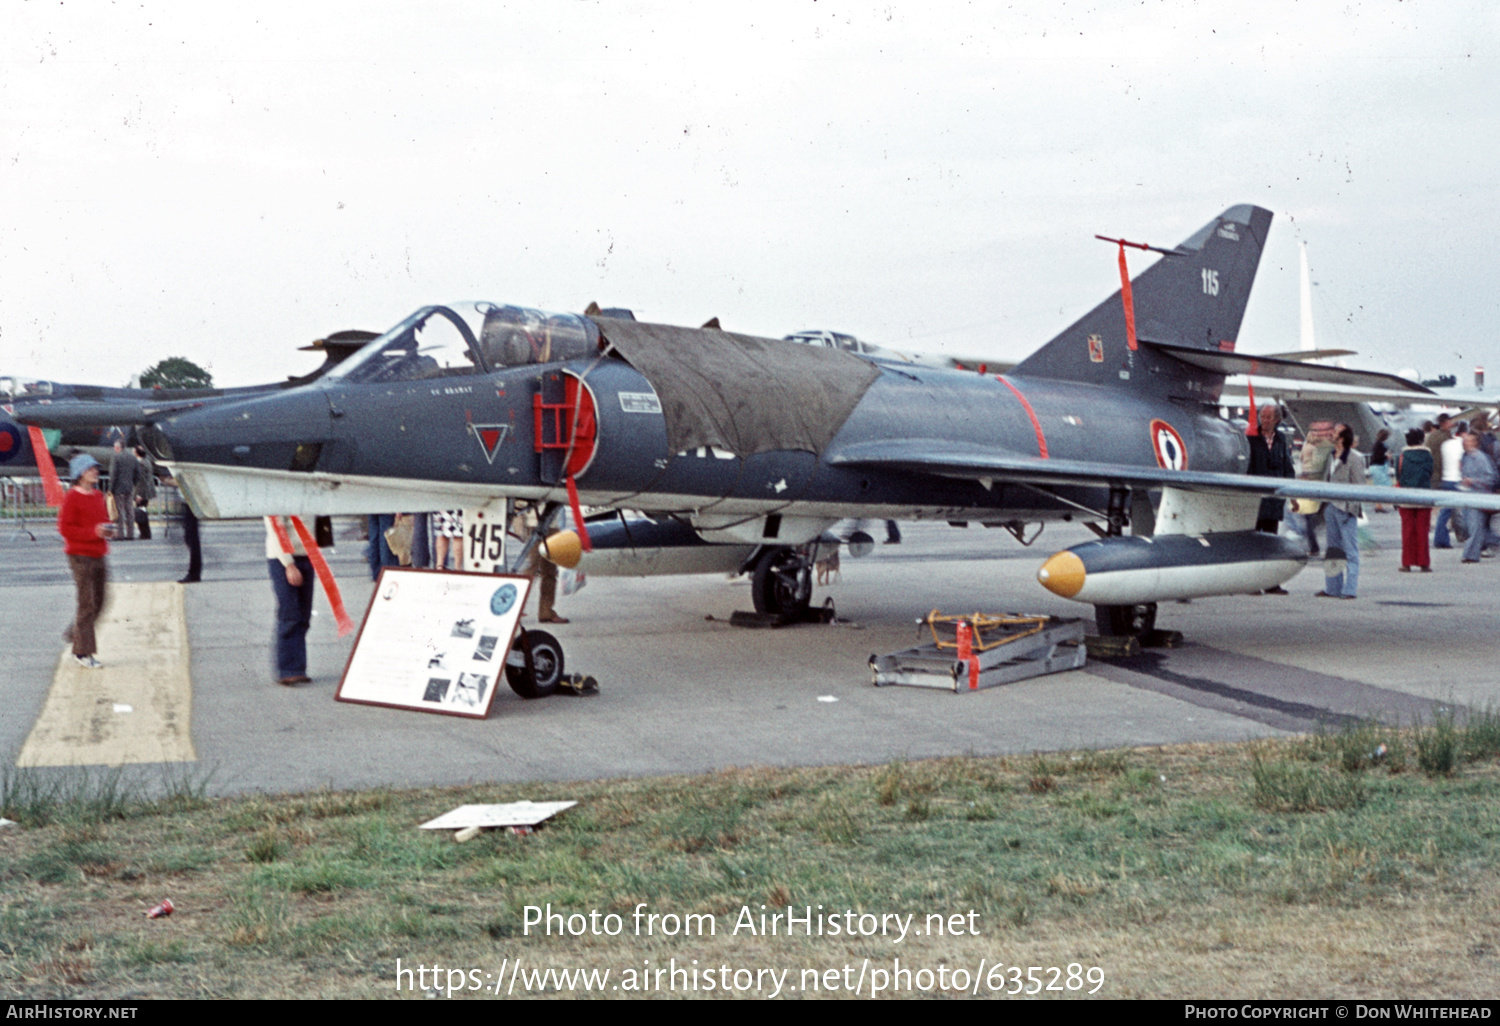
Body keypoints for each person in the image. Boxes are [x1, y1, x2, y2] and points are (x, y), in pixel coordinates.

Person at [58, 454, 114, 668]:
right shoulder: (72, 497)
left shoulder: (98, 495)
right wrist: (94, 532)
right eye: (91, 469)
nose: (96, 472)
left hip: (99, 553)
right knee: (87, 603)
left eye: (96, 469)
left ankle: (75, 635)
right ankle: (83, 652)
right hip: (80, 555)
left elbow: (103, 520)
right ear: (80, 474)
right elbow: (65, 529)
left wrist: (108, 530)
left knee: (100, 601)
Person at [1246, 404, 1295, 593]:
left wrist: (1293, 493)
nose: (1264, 420)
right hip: (1256, 500)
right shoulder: (1251, 437)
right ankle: (1252, 584)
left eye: (1268, 417)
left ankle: (1271, 583)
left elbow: (1287, 466)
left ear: (1276, 420)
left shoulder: (1281, 439)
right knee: (1254, 543)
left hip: (1274, 501)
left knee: (1271, 542)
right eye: (1262, 416)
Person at [266, 515, 315, 685]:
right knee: (290, 613)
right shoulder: (275, 495)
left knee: (303, 615)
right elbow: (276, 530)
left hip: (307, 555)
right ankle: (287, 669)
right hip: (283, 559)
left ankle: (298, 668)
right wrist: (289, 564)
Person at [1317, 425, 1365, 599]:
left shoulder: (1354, 458)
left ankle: (1349, 589)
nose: (1331, 433)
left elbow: (1359, 486)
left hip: (1345, 509)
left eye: (1335, 432)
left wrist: (1352, 509)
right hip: (1331, 507)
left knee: (1350, 550)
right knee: (1333, 550)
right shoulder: (1331, 456)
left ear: (1342, 438)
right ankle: (1332, 588)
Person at [1394, 427, 1435, 573]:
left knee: (1407, 530)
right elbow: (1430, 472)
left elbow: (1398, 475)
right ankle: (1424, 562)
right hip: (1424, 495)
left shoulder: (1402, 455)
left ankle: (1407, 562)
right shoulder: (1428, 455)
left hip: (1406, 496)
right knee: (1423, 530)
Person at [1457, 430, 1500, 563]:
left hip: (1479, 497)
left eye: (1469, 441)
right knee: (1471, 526)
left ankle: (1471, 555)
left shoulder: (1480, 458)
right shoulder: (1467, 457)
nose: (1465, 443)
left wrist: (1473, 481)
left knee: (1475, 527)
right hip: (1470, 496)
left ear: (1475, 443)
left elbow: (1491, 478)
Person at [1433, 423, 1467, 548]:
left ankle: (1440, 538)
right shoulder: (1461, 445)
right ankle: (1468, 536)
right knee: (1467, 510)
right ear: (1464, 433)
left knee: (1445, 512)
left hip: (1446, 479)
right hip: (1458, 480)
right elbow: (1460, 463)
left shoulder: (1445, 444)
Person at [107, 440, 141, 541]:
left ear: (117, 447)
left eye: (114, 447)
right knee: (130, 510)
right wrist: (133, 483)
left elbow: (113, 475)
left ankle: (120, 534)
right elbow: (137, 473)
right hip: (129, 488)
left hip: (118, 488)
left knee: (119, 511)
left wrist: (110, 489)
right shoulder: (133, 457)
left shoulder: (116, 457)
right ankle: (130, 534)